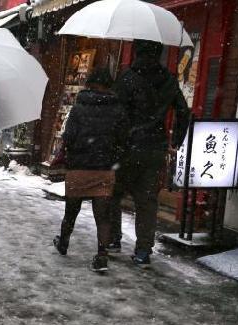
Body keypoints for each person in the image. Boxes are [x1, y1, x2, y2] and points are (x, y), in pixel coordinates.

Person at [113, 39, 191, 266]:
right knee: (146, 201)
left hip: (126, 148)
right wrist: (175, 140)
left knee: (114, 194)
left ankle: (113, 239)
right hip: (154, 147)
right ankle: (143, 250)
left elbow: (115, 112)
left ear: (137, 51)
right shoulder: (168, 80)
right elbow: (183, 112)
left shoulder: (126, 78)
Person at [53, 68, 128, 274]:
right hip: (104, 168)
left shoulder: (78, 108)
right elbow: (123, 140)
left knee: (71, 211)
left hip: (79, 166)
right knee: (103, 216)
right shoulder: (118, 109)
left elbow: (68, 137)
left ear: (90, 84)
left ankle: (64, 242)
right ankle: (102, 255)